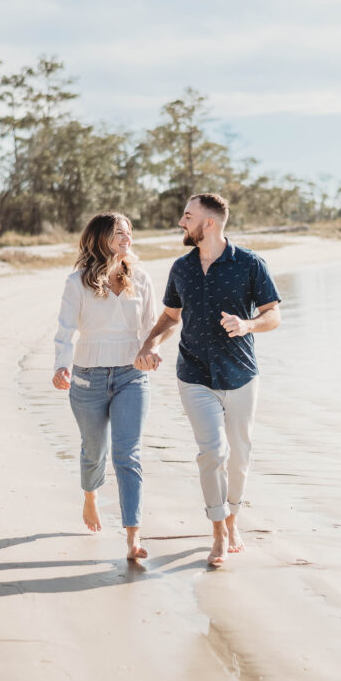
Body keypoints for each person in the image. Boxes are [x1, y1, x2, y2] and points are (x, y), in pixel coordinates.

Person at [135, 193, 281, 566]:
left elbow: (273, 315)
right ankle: (217, 531)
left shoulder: (249, 264)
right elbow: (170, 316)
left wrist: (247, 324)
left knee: (240, 455)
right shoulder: (181, 269)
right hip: (194, 374)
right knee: (212, 452)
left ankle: (233, 519)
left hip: (241, 376)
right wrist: (150, 341)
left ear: (209, 223)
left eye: (188, 216)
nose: (182, 222)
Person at [53, 212, 156, 560]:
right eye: (118, 234)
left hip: (131, 375)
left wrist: (150, 351)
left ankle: (133, 538)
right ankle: (91, 496)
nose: (126, 239)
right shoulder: (77, 281)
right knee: (94, 450)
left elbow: (151, 328)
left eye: (128, 233)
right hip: (87, 377)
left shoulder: (140, 279)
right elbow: (65, 330)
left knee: (128, 454)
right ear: (100, 239)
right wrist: (61, 366)